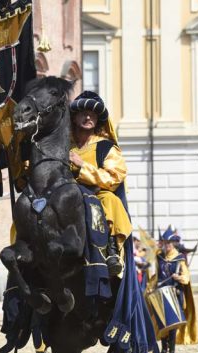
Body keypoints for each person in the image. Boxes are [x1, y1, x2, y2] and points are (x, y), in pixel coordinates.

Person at [68, 90, 132, 276]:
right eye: (83, 113)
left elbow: (113, 178)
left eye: (93, 114)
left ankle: (111, 251)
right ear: (74, 117)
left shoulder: (106, 147)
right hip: (68, 196)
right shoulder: (65, 147)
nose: (88, 116)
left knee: (111, 200)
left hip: (96, 195)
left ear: (97, 120)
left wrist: (82, 167)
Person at [153, 227, 197, 353]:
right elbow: (156, 275)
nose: (166, 245)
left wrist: (179, 277)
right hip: (161, 293)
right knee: (162, 322)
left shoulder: (179, 258)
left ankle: (172, 350)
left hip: (174, 293)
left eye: (169, 243)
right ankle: (164, 348)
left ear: (174, 244)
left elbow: (186, 277)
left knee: (172, 323)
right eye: (165, 242)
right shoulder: (159, 256)